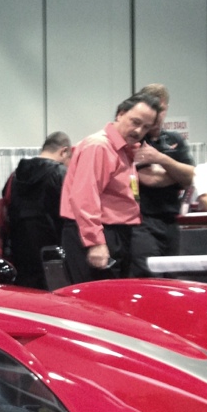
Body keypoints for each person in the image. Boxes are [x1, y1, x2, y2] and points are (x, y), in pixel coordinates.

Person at [58, 93, 162, 284]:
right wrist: (95, 242)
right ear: (120, 114)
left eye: (146, 127)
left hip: (115, 232)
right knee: (94, 297)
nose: (139, 130)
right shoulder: (99, 146)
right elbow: (84, 197)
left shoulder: (124, 150)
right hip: (98, 233)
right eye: (135, 122)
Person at [129, 84, 195, 276]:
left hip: (171, 221)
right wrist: (178, 174)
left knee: (172, 278)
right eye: (154, 109)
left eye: (161, 109)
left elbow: (192, 177)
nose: (158, 115)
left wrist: (161, 159)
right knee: (149, 276)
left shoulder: (175, 140)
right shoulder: (136, 140)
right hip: (142, 222)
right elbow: (150, 179)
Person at [1, 131, 72, 289]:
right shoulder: (61, 174)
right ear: (64, 151)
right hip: (55, 257)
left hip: (19, 257)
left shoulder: (14, 176)